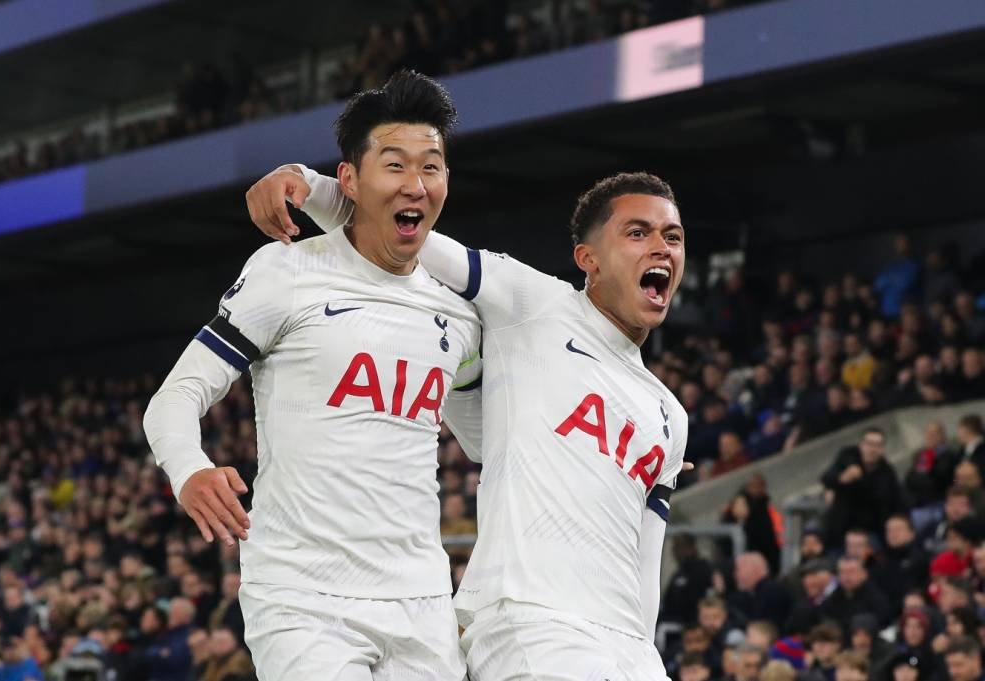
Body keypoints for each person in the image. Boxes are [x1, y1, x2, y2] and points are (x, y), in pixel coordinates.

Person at [246, 104, 688, 677]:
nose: (661, 247)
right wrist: (309, 186)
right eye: (638, 232)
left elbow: (647, 558)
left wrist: (643, 650)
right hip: (532, 625)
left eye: (672, 237)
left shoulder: (670, 415)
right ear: (588, 260)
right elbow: (408, 235)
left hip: (626, 647)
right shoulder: (533, 304)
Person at [144, 71, 483, 680]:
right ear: (349, 179)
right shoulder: (287, 273)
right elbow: (175, 397)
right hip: (304, 597)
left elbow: (487, 439)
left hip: (424, 602)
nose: (416, 184)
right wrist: (189, 470)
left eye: (431, 167)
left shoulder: (458, 314)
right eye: (395, 165)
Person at [820, 427, 906, 548]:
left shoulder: (887, 472)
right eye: (869, 444)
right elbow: (826, 478)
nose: (872, 449)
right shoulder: (847, 458)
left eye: (877, 445)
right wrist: (842, 479)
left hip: (870, 531)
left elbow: (889, 500)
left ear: (882, 449)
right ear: (861, 445)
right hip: (840, 527)